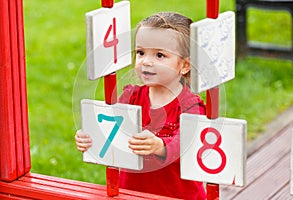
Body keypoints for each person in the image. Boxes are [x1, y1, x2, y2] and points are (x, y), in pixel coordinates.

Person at [75, 12, 206, 199]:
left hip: (178, 195)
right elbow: (110, 129)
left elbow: (187, 142)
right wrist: (90, 137)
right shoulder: (131, 96)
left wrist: (160, 146)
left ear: (184, 66)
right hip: (131, 193)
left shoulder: (191, 106)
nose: (146, 61)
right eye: (141, 52)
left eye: (160, 55)